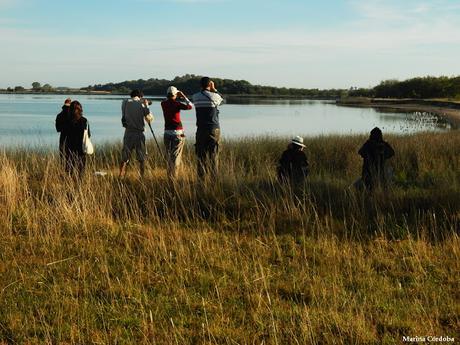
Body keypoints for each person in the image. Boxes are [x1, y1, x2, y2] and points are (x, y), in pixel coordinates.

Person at [192, 77, 224, 179]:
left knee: (201, 156)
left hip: (201, 129)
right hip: (214, 129)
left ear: (200, 85)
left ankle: (201, 179)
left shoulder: (195, 97)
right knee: (214, 155)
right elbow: (223, 101)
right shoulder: (215, 96)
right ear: (209, 85)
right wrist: (214, 89)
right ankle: (214, 179)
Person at [119, 89, 154, 177]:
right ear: (140, 96)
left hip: (128, 133)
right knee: (141, 158)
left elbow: (126, 106)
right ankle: (142, 177)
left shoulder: (125, 102)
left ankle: (121, 176)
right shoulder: (142, 105)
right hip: (139, 133)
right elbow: (149, 118)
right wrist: (146, 105)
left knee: (125, 157)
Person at [161, 86, 193, 178]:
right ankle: (174, 178)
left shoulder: (163, 104)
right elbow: (190, 106)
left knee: (168, 155)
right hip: (177, 133)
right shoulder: (177, 104)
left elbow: (166, 99)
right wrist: (183, 96)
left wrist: (173, 95)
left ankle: (169, 176)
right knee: (176, 157)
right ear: (175, 95)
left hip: (167, 133)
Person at [64, 101, 90, 175]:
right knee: (81, 168)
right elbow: (88, 134)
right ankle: (79, 184)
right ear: (80, 109)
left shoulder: (68, 121)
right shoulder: (84, 120)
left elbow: (65, 133)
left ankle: (69, 182)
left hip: (70, 147)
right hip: (81, 148)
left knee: (69, 168)